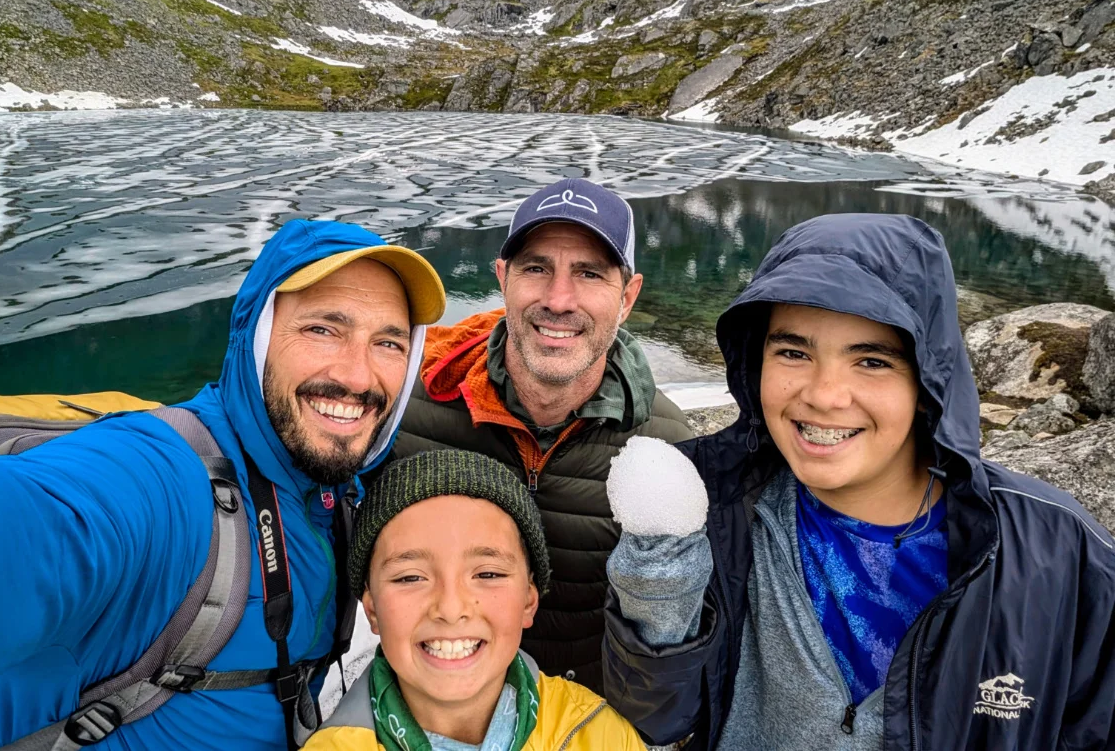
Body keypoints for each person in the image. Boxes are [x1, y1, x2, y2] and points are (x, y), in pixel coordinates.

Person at [0, 219, 446, 751]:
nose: (359, 376)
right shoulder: (163, 480)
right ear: (254, 336)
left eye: (388, 343)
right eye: (322, 329)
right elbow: (22, 532)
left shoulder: (335, 486)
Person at [601, 213, 1115, 750]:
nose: (825, 395)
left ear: (928, 379)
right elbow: (656, 719)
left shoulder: (1060, 557)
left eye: (871, 361)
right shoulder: (708, 506)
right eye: (794, 353)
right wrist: (656, 579)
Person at [394, 177, 693, 692]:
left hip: (592, 720)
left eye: (589, 273)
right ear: (502, 278)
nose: (559, 299)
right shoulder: (408, 407)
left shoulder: (666, 448)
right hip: (440, 706)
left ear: (627, 297)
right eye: (536, 269)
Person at [303, 448, 645, 751]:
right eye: (410, 577)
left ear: (528, 600)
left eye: (488, 574)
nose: (451, 609)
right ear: (373, 609)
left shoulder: (598, 735)